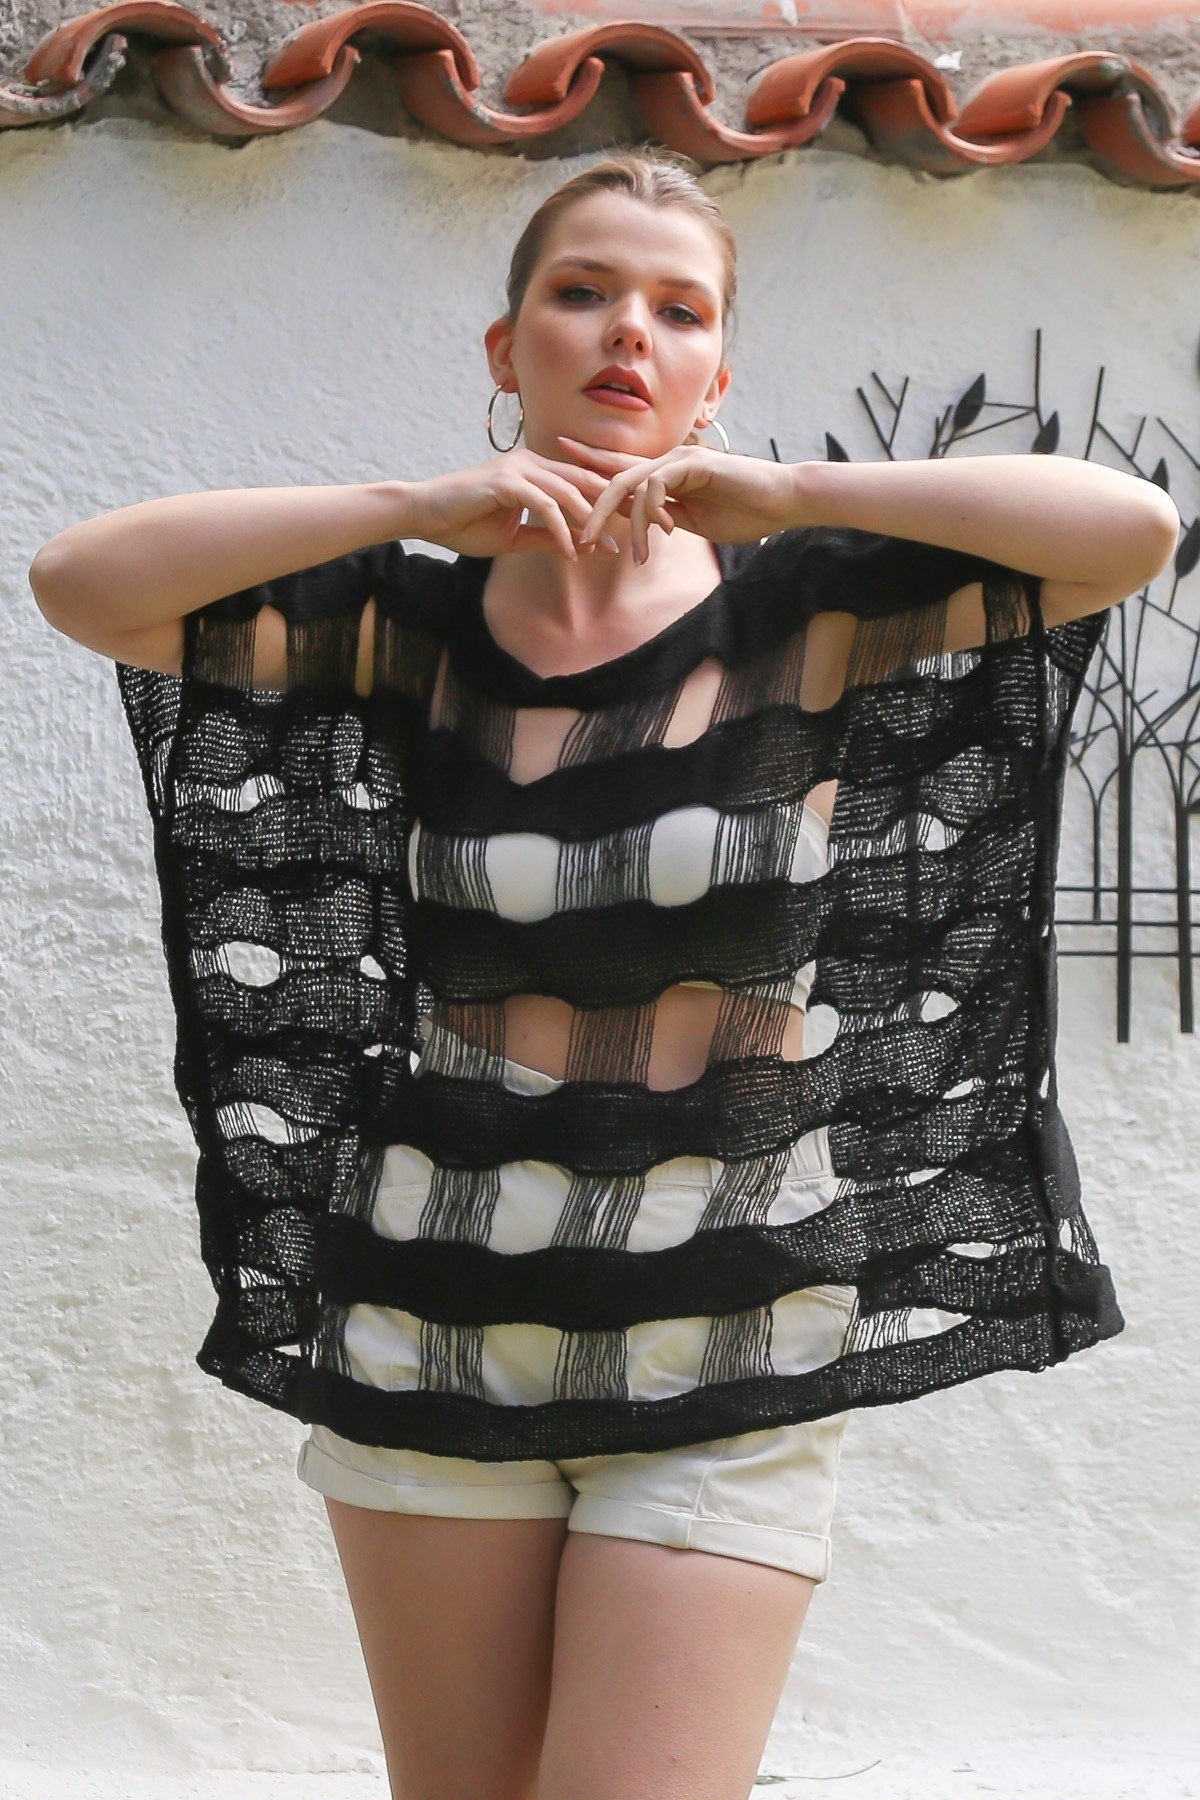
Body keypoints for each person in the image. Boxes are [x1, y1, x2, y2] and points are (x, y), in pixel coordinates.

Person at [30, 152, 1178, 1800]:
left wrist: (792, 490)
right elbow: (82, 583)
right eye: (583, 292)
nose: (631, 330)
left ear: (717, 372)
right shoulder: (405, 632)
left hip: (729, 1319)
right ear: (510, 351)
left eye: (679, 309)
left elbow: (1130, 531)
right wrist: (408, 508)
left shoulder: (804, 616)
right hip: (436, 1310)